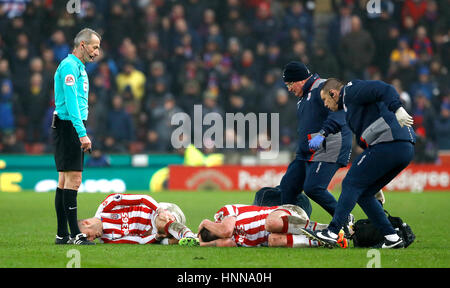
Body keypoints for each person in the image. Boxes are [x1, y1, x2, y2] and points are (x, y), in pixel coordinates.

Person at [301, 78, 416, 249]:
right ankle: (392, 238)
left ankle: (332, 232)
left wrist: (397, 108)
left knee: (350, 183)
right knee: (364, 193)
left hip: (389, 142)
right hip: (403, 147)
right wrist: (323, 134)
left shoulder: (351, 90)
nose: (325, 105)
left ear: (333, 94)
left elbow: (384, 88)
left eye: (325, 99)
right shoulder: (349, 106)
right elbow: (337, 122)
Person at [278, 61, 352, 219]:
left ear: (301, 80)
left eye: (290, 84)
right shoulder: (303, 97)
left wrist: (323, 133)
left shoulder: (323, 87)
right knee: (288, 185)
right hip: (309, 150)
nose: (289, 89)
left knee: (313, 187)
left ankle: (345, 218)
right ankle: (289, 224)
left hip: (331, 143)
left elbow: (339, 113)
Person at [52, 28, 101, 245]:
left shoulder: (76, 67)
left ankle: (62, 234)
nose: (97, 52)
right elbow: (72, 103)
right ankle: (75, 235)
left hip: (66, 125)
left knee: (64, 180)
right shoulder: (70, 67)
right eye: (95, 47)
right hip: (70, 125)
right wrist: (82, 133)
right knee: (74, 180)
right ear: (82, 45)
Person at [197, 204, 346, 248]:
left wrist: (204, 222)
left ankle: (325, 229)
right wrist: (202, 244)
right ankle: (322, 241)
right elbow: (226, 241)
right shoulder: (234, 241)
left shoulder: (225, 212)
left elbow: (226, 231)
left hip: (286, 214)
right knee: (273, 241)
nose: (219, 234)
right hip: (286, 232)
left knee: (270, 224)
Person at [78, 193, 198, 245]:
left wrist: (159, 210)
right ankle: (198, 237)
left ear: (86, 223)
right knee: (167, 242)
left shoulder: (108, 204)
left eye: (88, 235)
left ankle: (188, 235)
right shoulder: (107, 239)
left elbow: (142, 198)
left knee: (161, 223)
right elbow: (138, 240)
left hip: (164, 212)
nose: (92, 239)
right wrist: (155, 237)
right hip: (159, 232)